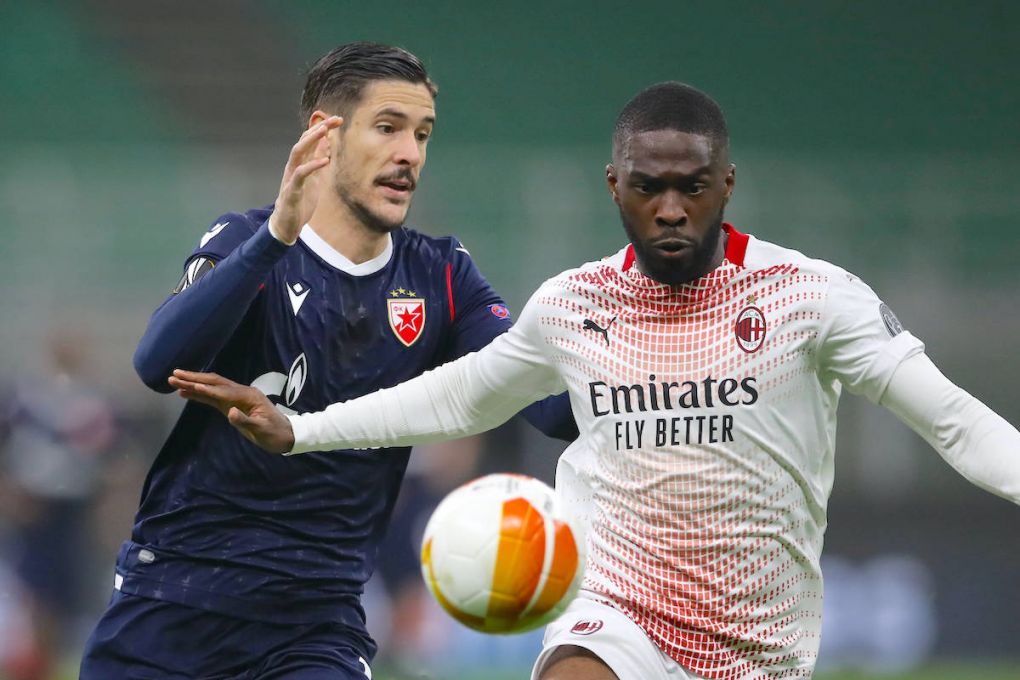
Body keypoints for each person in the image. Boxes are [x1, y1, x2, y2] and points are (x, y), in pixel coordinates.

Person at [170, 81, 1020, 680]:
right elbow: (462, 392)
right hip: (616, 619)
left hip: (760, 646)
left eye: (692, 187)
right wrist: (304, 429)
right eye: (649, 188)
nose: (672, 208)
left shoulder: (811, 299)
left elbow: (953, 421)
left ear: (727, 184)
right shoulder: (575, 306)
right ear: (617, 187)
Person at [79, 42, 575, 679]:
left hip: (314, 626)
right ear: (325, 135)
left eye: (422, 135)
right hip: (174, 601)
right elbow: (156, 365)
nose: (409, 155)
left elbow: (550, 409)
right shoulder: (246, 242)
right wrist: (274, 238)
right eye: (388, 128)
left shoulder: (442, 276)